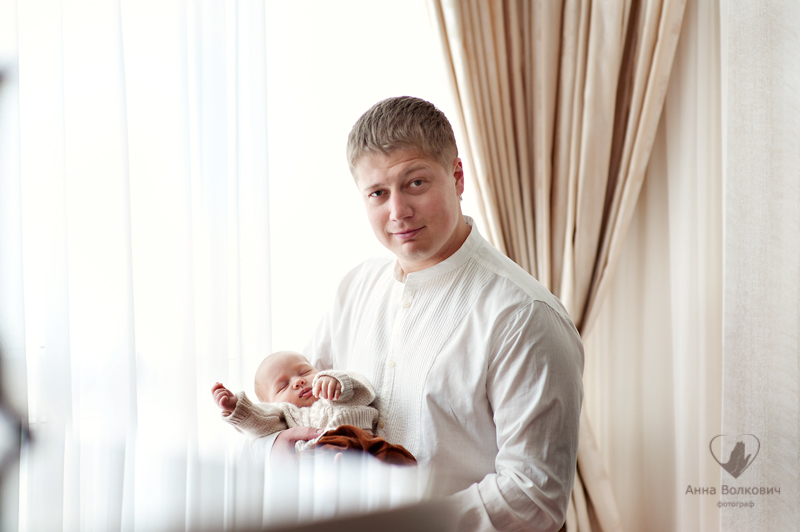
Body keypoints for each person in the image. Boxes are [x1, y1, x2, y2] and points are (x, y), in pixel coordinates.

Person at [275, 96, 584, 532]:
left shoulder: (523, 316)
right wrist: (276, 447)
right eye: (378, 193)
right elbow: (290, 409)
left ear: (457, 177)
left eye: (415, 183)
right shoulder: (353, 291)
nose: (398, 212)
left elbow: (534, 498)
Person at [213, 350, 415, 464]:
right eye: (283, 386)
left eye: (304, 372)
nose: (298, 382)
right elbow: (260, 421)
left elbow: (364, 390)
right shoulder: (286, 412)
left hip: (363, 439)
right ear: (273, 402)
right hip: (322, 449)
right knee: (314, 466)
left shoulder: (334, 390)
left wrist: (336, 381)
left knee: (396, 458)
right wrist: (237, 407)